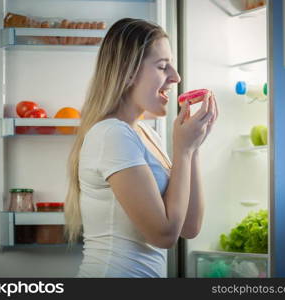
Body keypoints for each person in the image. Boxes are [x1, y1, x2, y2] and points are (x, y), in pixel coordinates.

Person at [64, 18, 218, 278]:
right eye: (162, 66)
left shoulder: (145, 133)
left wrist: (193, 148)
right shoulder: (112, 134)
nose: (176, 77)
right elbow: (164, 235)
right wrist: (182, 150)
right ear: (129, 71)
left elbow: (188, 227)